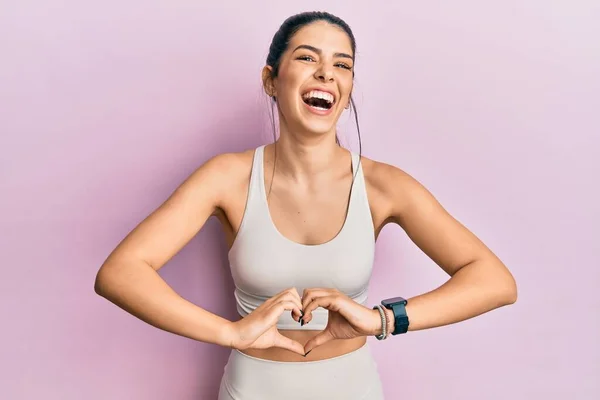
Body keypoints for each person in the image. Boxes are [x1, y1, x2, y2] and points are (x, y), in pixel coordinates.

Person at [94, 11, 518, 399]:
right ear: (270, 80)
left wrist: (382, 319)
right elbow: (120, 273)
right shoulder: (227, 177)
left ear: (348, 91)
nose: (326, 74)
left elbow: (495, 281)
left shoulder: (383, 185)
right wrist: (228, 332)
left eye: (342, 65)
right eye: (307, 58)